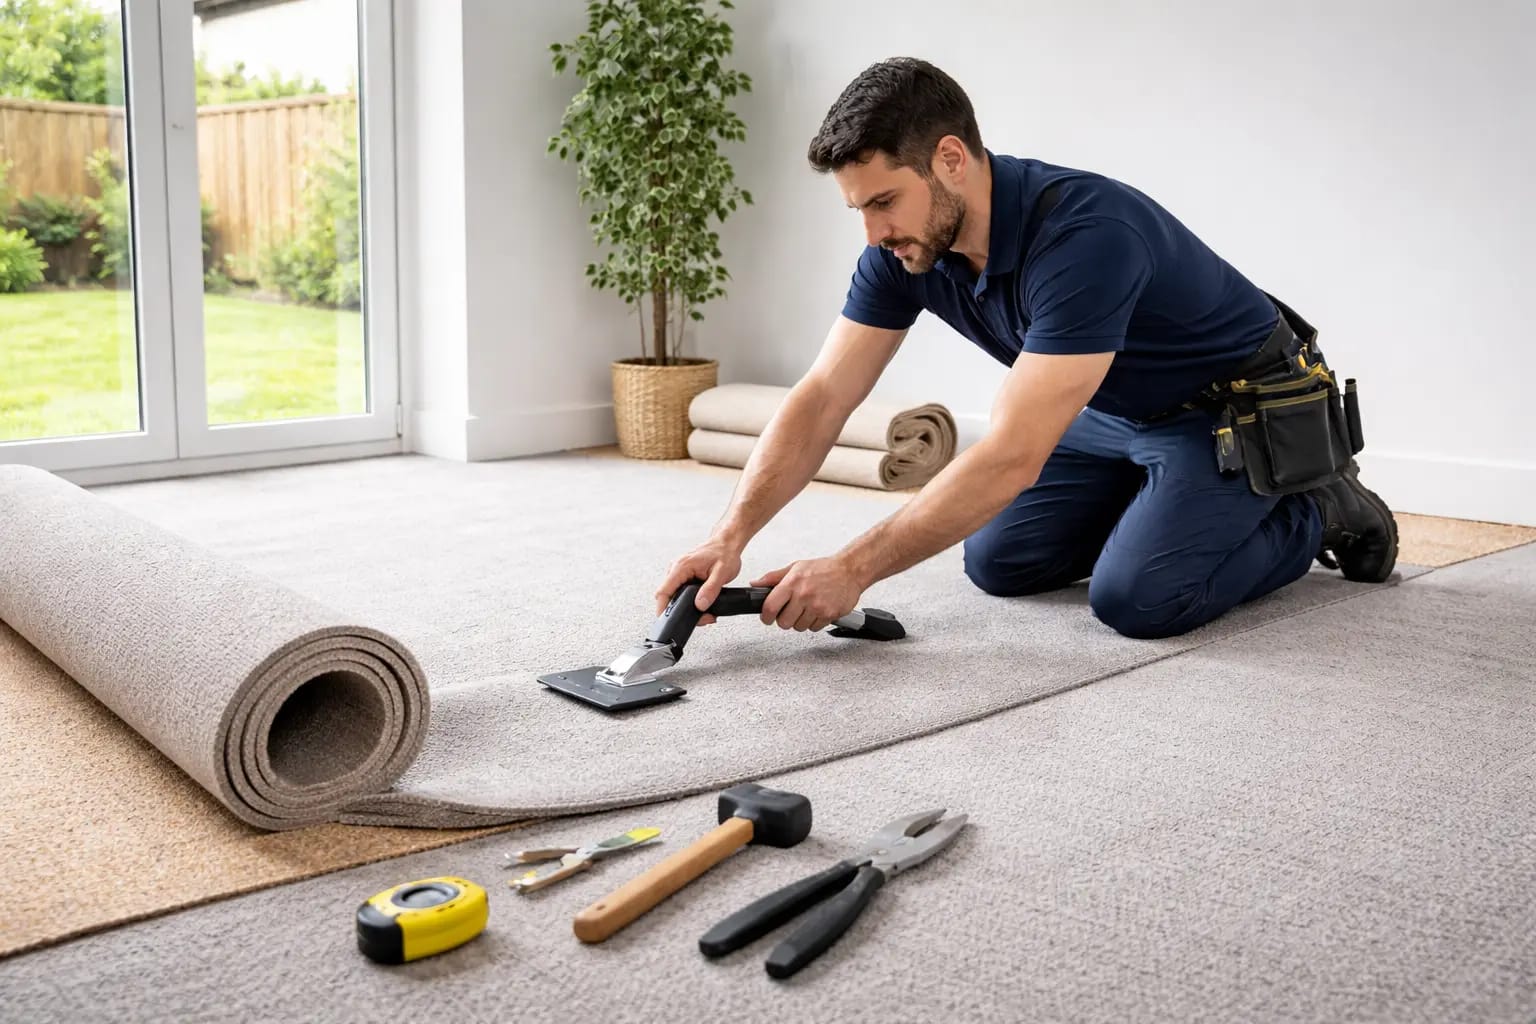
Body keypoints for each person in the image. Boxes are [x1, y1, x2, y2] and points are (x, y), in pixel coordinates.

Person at [656, 57, 1397, 640]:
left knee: (1137, 599)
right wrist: (730, 537)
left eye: (883, 201)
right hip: (1116, 411)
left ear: (950, 159)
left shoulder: (1085, 237)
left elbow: (1012, 454)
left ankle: (1320, 509)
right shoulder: (904, 250)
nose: (873, 233)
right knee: (1001, 561)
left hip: (1232, 415)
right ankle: (1167, 509)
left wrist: (852, 569)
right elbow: (823, 397)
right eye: (859, 209)